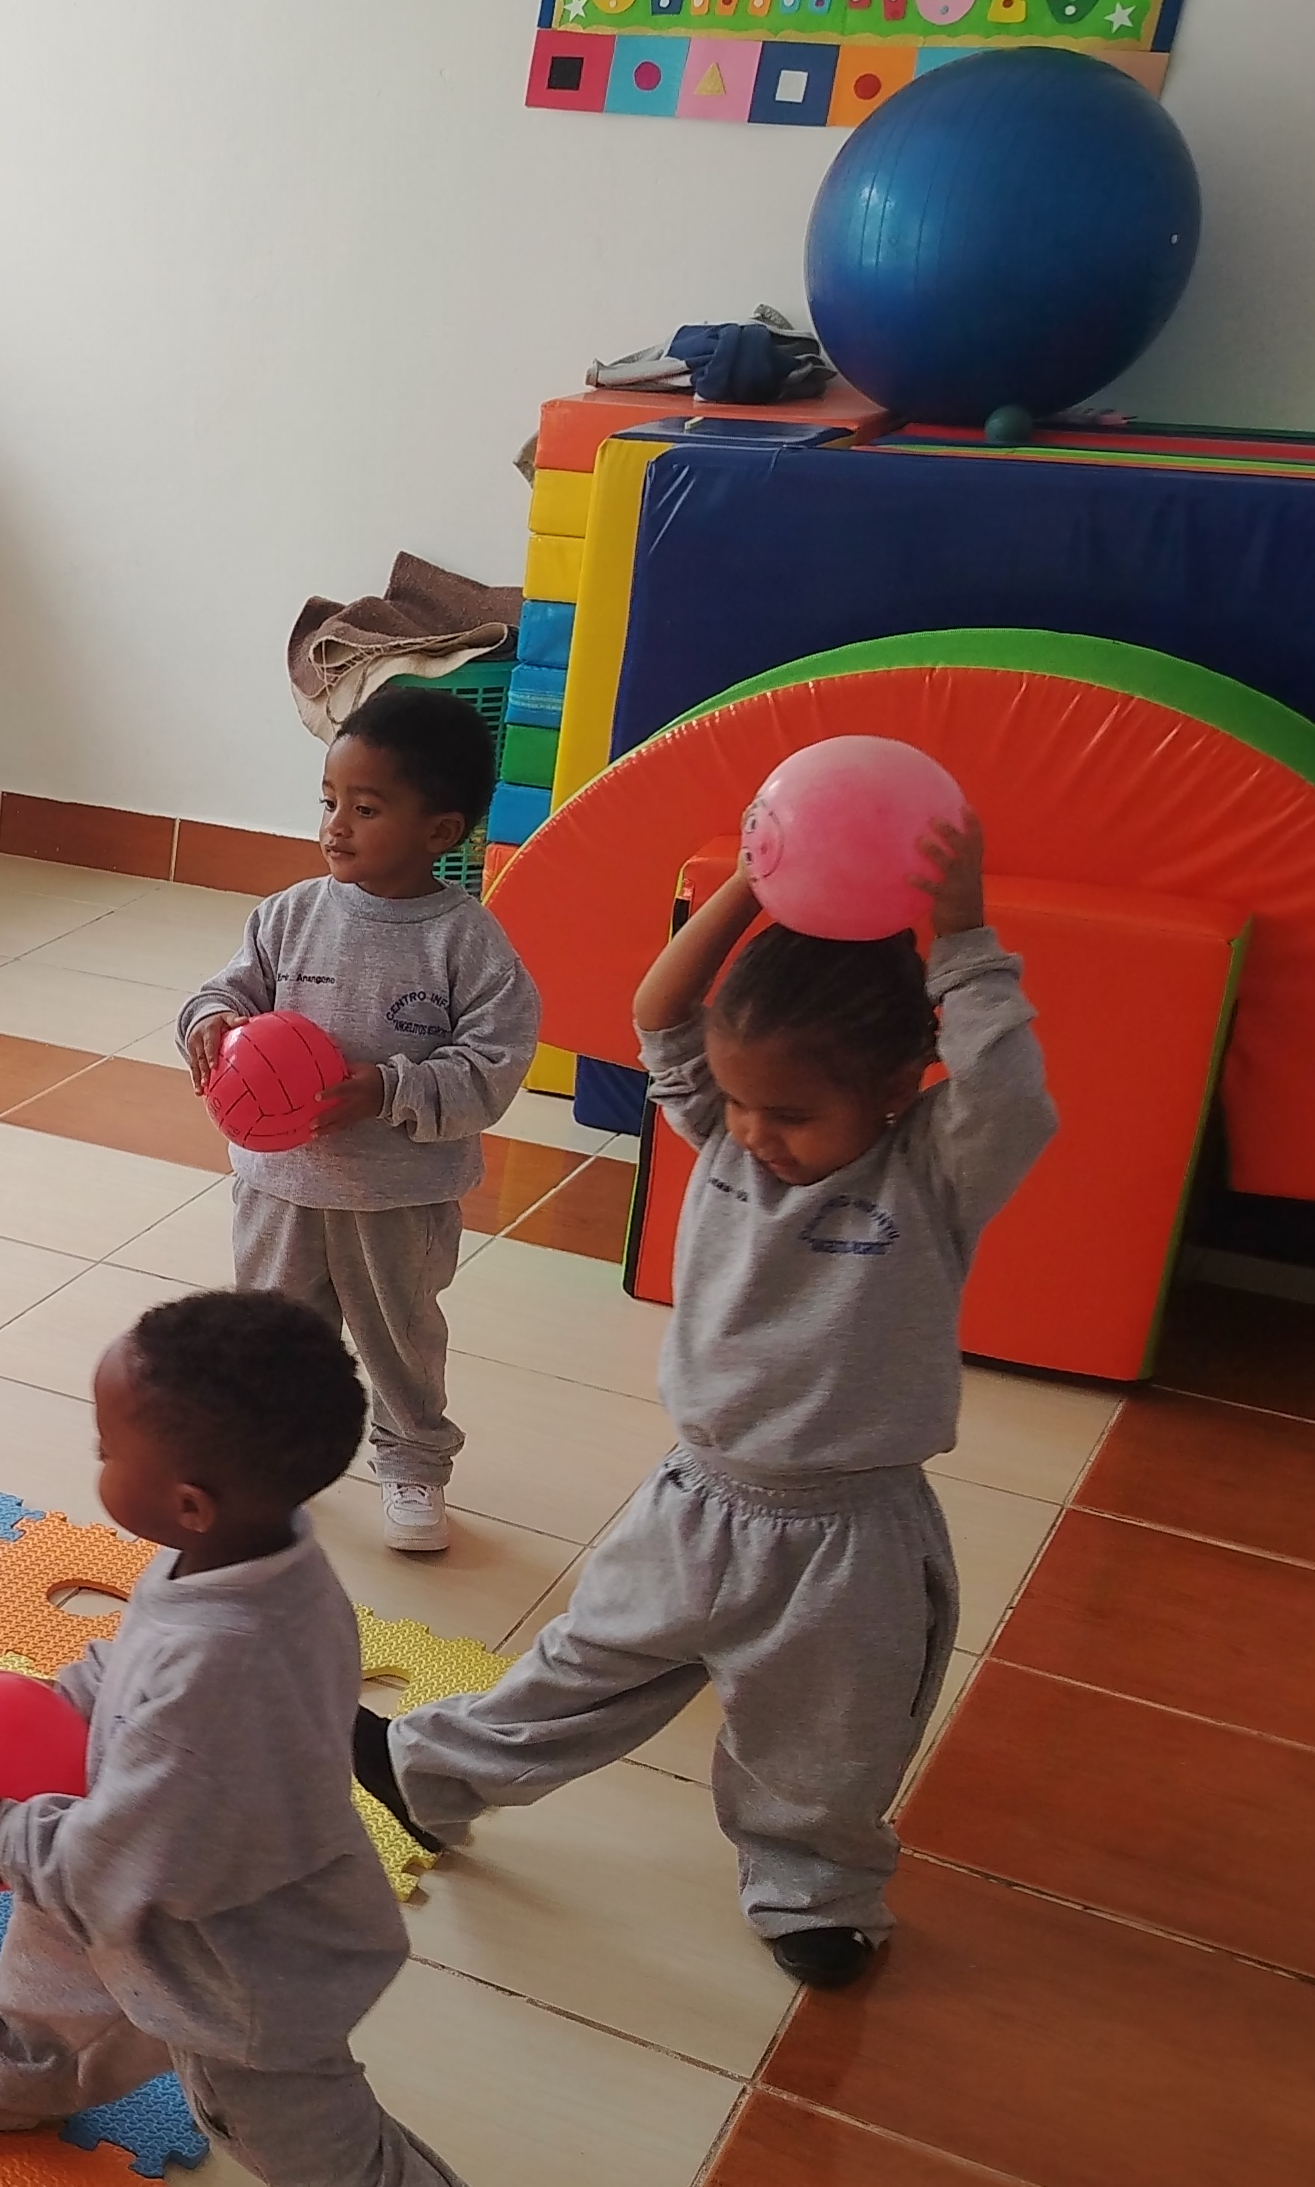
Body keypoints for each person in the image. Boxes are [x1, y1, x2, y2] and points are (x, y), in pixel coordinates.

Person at [0, 1289, 646, 2187]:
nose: (93, 1459)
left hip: (232, 1966)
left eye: (105, 1447)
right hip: (133, 1896)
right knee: (46, 1974)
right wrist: (56, 1706)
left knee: (333, 2169)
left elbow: (137, 1856)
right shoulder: (239, 1553)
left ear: (186, 1497)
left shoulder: (225, 1673)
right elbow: (131, 1669)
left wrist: (10, 1838)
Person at [355, 811, 1056, 1989]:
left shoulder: (931, 1172)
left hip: (849, 1532)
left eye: (791, 1115)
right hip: (695, 1497)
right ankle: (428, 1774)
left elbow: (1011, 1094)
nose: (754, 1134)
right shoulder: (727, 1140)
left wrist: (964, 935)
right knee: (586, 1664)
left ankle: (811, 1888)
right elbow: (659, 1015)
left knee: (826, 1740)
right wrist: (744, 886)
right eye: (736, 1101)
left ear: (899, 1088)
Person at [180, 681, 537, 1557]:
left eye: (366, 808)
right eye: (329, 801)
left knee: (399, 1341)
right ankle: (267, 1460)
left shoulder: (468, 943)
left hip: (398, 1197)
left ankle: (413, 1462)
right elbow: (228, 990)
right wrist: (211, 1021)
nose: (336, 825)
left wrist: (387, 1089)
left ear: (440, 832)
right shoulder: (289, 914)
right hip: (279, 1185)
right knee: (272, 1334)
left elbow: (492, 1068)